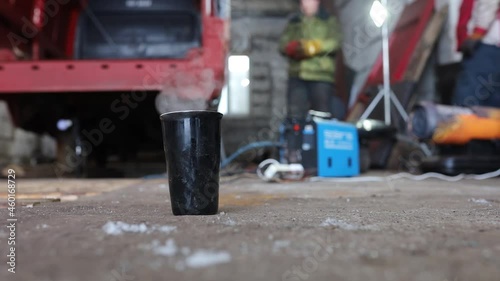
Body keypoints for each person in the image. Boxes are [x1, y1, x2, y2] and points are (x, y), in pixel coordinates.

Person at [278, 0, 342, 163]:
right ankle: (293, 156)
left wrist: (312, 47)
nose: (305, 3)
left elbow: (335, 42)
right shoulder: (294, 22)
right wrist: (290, 47)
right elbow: (282, 45)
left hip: (321, 77)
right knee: (294, 118)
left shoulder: (328, 21)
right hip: (298, 76)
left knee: (322, 117)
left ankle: (325, 158)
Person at [453, 0, 500, 108]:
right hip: (490, 46)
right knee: (491, 106)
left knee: (468, 103)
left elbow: (489, 3)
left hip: (487, 45)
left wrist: (478, 32)